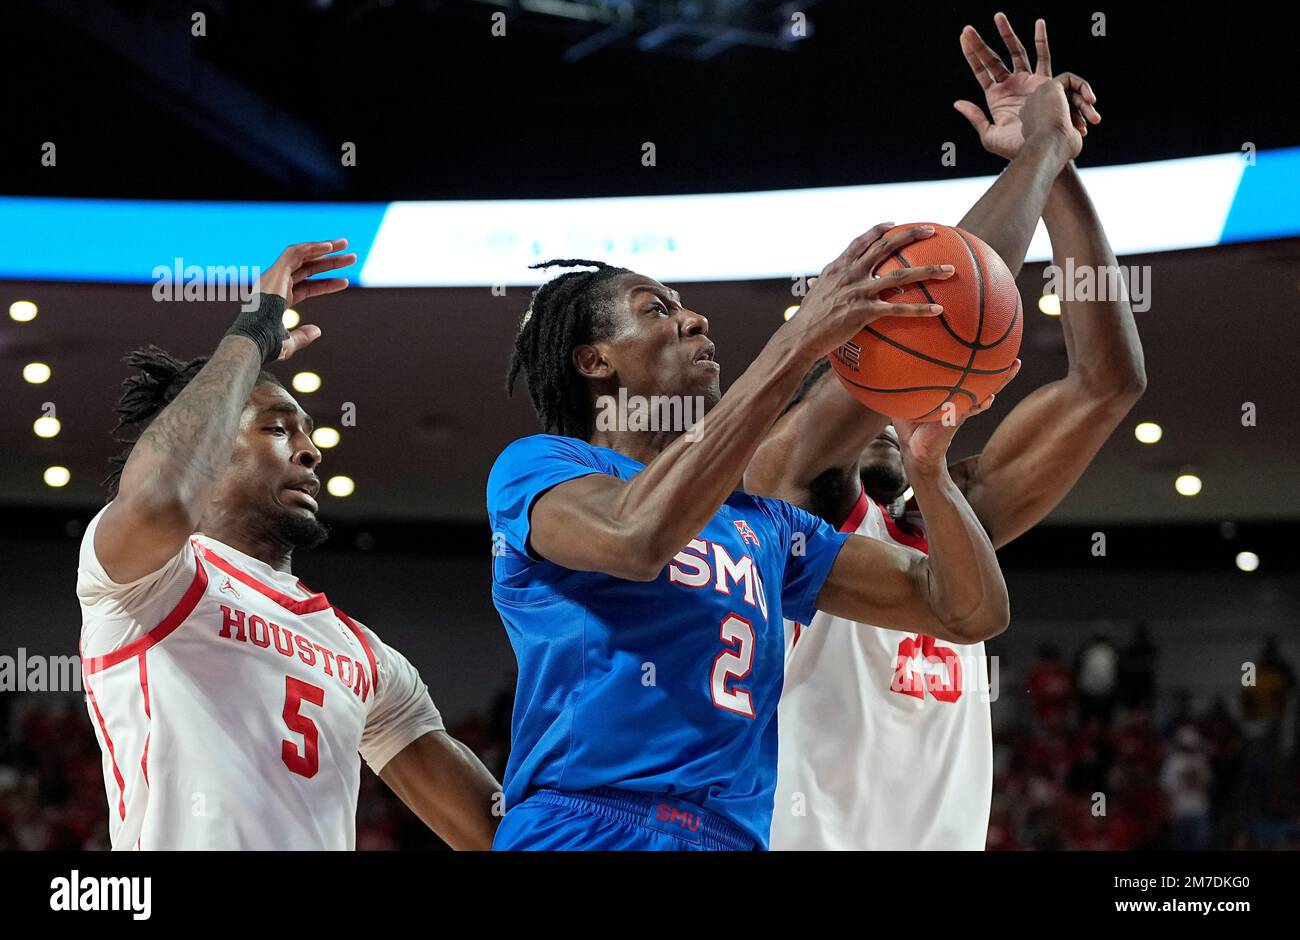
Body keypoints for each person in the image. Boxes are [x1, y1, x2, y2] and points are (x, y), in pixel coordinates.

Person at [487, 211, 1015, 850]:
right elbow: (636, 538)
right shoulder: (542, 466)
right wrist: (799, 345)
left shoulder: (764, 525)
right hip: (588, 823)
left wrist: (930, 472)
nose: (694, 319)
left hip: (729, 837)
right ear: (595, 359)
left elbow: (965, 612)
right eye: (656, 310)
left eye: (684, 306)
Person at [748, 14, 1146, 850]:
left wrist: (1060, 157)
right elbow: (936, 308)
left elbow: (1108, 384)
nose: (894, 419)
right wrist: (1035, 153)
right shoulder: (784, 486)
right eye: (875, 395)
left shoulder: (952, 513)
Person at [77, 239, 500, 849]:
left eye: (308, 432)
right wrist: (252, 332)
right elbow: (159, 500)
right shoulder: (152, 580)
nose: (311, 450)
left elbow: (493, 834)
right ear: (211, 448)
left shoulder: (364, 654)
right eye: (278, 429)